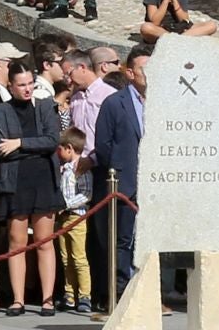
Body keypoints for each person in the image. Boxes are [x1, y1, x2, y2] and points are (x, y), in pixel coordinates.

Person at [0, 60, 63, 315]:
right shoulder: (1, 112)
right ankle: (18, 299)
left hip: (43, 178)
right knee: (17, 241)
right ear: (10, 86)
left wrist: (20, 143)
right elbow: (2, 148)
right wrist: (23, 147)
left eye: (30, 83)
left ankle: (47, 299)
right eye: (21, 85)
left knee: (44, 241)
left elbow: (51, 141)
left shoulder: (45, 106)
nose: (27, 89)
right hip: (15, 179)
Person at [90, 51, 145, 297]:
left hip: (153, 182)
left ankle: (149, 290)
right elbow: (103, 144)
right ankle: (121, 290)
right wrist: (118, 169)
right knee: (121, 240)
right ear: (130, 73)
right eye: (145, 69)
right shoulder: (114, 103)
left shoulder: (163, 102)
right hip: (124, 182)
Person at [55, 127, 92, 313]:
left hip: (77, 217)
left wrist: (66, 204)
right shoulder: (64, 169)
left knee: (79, 257)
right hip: (63, 219)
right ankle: (69, 294)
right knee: (65, 258)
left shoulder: (81, 169)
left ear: (69, 148)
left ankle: (85, 295)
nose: (58, 153)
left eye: (60, 149)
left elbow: (86, 194)